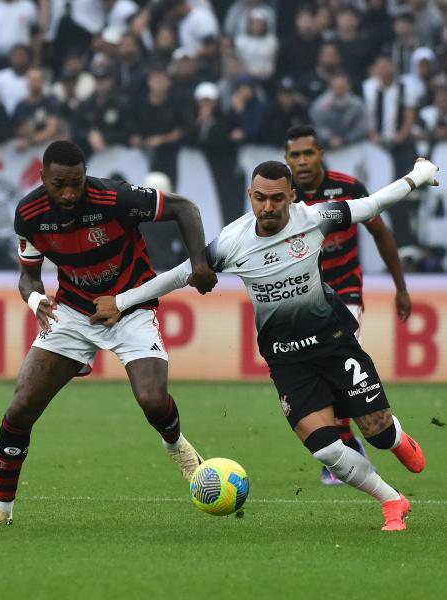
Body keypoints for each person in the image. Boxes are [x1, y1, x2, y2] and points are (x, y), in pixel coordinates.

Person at [92, 157, 439, 531]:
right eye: (260, 198)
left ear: (292, 196)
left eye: (277, 198)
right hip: (287, 360)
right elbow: (178, 277)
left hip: (335, 345)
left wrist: (417, 176)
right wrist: (122, 302)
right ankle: (391, 500)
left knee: (379, 432)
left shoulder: (316, 218)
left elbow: (371, 205)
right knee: (325, 449)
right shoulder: (232, 241)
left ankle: (396, 437)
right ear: (250, 196)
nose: (268, 207)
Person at [0, 140, 216, 526]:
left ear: (86, 176)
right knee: (20, 407)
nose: (69, 193)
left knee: (151, 399)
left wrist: (198, 263)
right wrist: (35, 303)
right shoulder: (28, 213)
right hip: (72, 311)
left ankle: (177, 446)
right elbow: (28, 278)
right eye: (59, 184)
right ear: (43, 177)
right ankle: (1, 512)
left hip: (128, 307)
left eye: (76, 183)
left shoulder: (115, 198)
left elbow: (185, 207)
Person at [284, 125, 412, 485]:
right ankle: (349, 442)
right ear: (286, 159)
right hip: (302, 298)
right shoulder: (283, 198)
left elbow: (381, 233)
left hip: (345, 294)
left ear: (321, 154)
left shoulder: (348, 188)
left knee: (334, 359)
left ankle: (354, 444)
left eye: (309, 153)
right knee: (317, 371)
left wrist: (400, 287)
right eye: (295, 155)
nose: (303, 161)